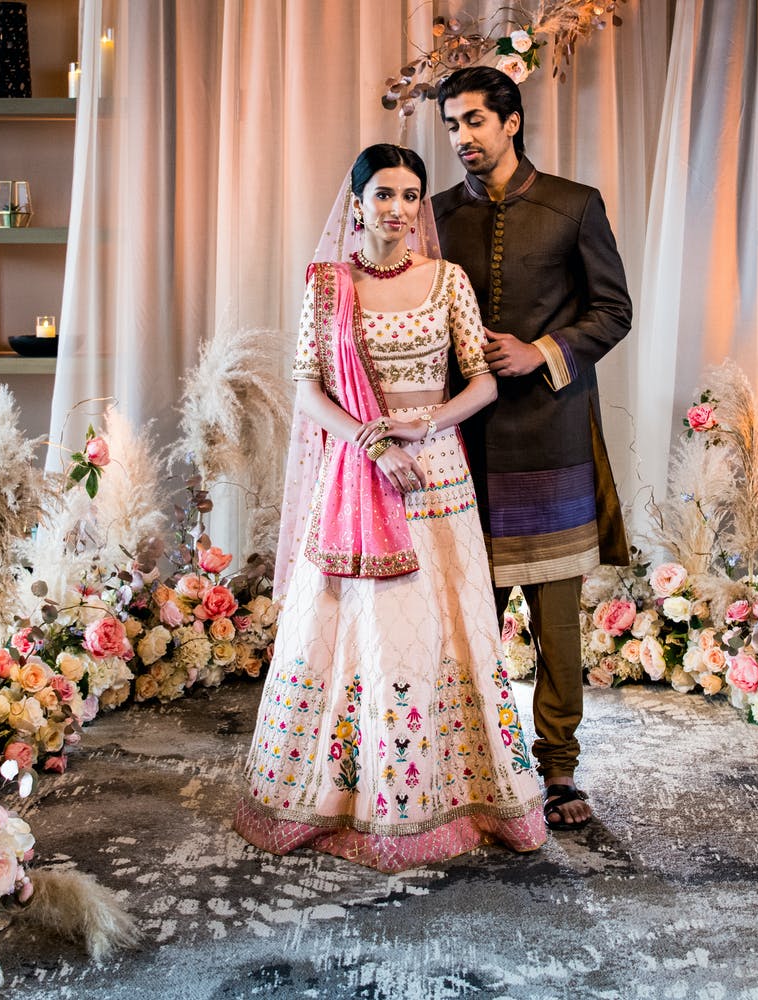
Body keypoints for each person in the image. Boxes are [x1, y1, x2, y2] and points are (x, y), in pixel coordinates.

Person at [232, 143, 546, 873]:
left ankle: (454, 796)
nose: (399, 210)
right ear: (357, 203)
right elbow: (309, 390)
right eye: (384, 195)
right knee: (355, 632)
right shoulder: (327, 287)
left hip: (435, 475)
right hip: (358, 469)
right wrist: (374, 444)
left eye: (411, 196)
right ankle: (348, 795)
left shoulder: (448, 281)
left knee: (444, 628)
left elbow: (484, 383)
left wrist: (425, 425)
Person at [432, 67, 632, 832]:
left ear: (512, 122)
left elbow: (614, 311)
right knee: (467, 610)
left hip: (550, 433)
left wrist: (542, 349)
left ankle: (558, 769)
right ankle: (474, 758)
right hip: (463, 440)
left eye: (476, 121)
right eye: (453, 125)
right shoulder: (438, 213)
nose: (463, 139)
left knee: (554, 616)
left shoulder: (573, 205)